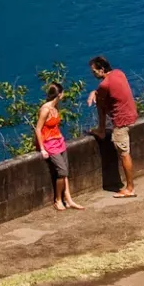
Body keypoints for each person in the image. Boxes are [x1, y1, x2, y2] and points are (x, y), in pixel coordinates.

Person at [85, 55, 138, 198]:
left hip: (121, 122)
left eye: (94, 71)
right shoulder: (119, 73)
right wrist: (94, 93)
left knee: (124, 154)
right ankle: (130, 186)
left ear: (101, 70)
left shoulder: (104, 85)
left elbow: (101, 106)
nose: (93, 74)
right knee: (124, 152)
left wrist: (101, 128)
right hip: (132, 116)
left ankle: (130, 188)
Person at [35, 82, 81, 211]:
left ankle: (69, 199)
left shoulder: (56, 107)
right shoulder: (45, 110)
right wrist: (43, 149)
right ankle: (58, 199)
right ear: (59, 94)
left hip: (59, 141)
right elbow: (38, 129)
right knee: (62, 171)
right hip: (50, 144)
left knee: (65, 171)